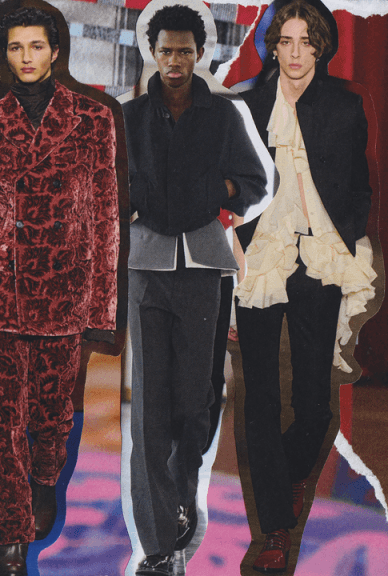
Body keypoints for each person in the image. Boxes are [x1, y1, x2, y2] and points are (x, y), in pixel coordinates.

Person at [0, 5, 119, 575]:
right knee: (2, 422)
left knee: (51, 415)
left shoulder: (93, 120)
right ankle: (11, 541)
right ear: (4, 54)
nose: (25, 57)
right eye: (15, 47)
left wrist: (102, 304)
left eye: (35, 46)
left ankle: (46, 476)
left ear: (55, 51)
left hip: (64, 288)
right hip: (0, 288)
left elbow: (105, 214)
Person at [122, 5, 267, 575]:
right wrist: (131, 201)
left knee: (195, 400)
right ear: (152, 54)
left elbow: (255, 181)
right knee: (148, 409)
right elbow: (109, 185)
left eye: (185, 50)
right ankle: (157, 545)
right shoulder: (130, 116)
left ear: (200, 54)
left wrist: (218, 190)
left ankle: (183, 493)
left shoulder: (224, 114)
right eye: (166, 51)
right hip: (145, 267)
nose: (175, 60)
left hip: (204, 266)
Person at [235, 1, 376, 571]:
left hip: (318, 260)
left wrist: (343, 235)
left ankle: (289, 475)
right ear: (273, 46)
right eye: (285, 41)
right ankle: (274, 527)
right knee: (260, 397)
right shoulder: (247, 106)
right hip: (262, 260)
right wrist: (236, 248)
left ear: (321, 46)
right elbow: (233, 182)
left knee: (315, 402)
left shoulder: (344, 106)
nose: (295, 53)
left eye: (306, 41)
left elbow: (360, 184)